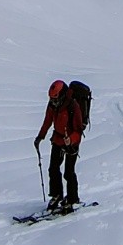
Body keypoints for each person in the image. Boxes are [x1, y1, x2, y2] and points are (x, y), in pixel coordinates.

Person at [34, 79, 85, 210]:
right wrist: (40, 136)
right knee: (53, 168)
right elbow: (47, 121)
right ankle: (57, 195)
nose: (53, 102)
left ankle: (73, 199)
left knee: (69, 172)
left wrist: (71, 140)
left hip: (72, 143)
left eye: (55, 99)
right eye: (51, 99)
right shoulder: (53, 105)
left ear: (62, 95)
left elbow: (78, 130)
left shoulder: (73, 106)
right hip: (58, 139)